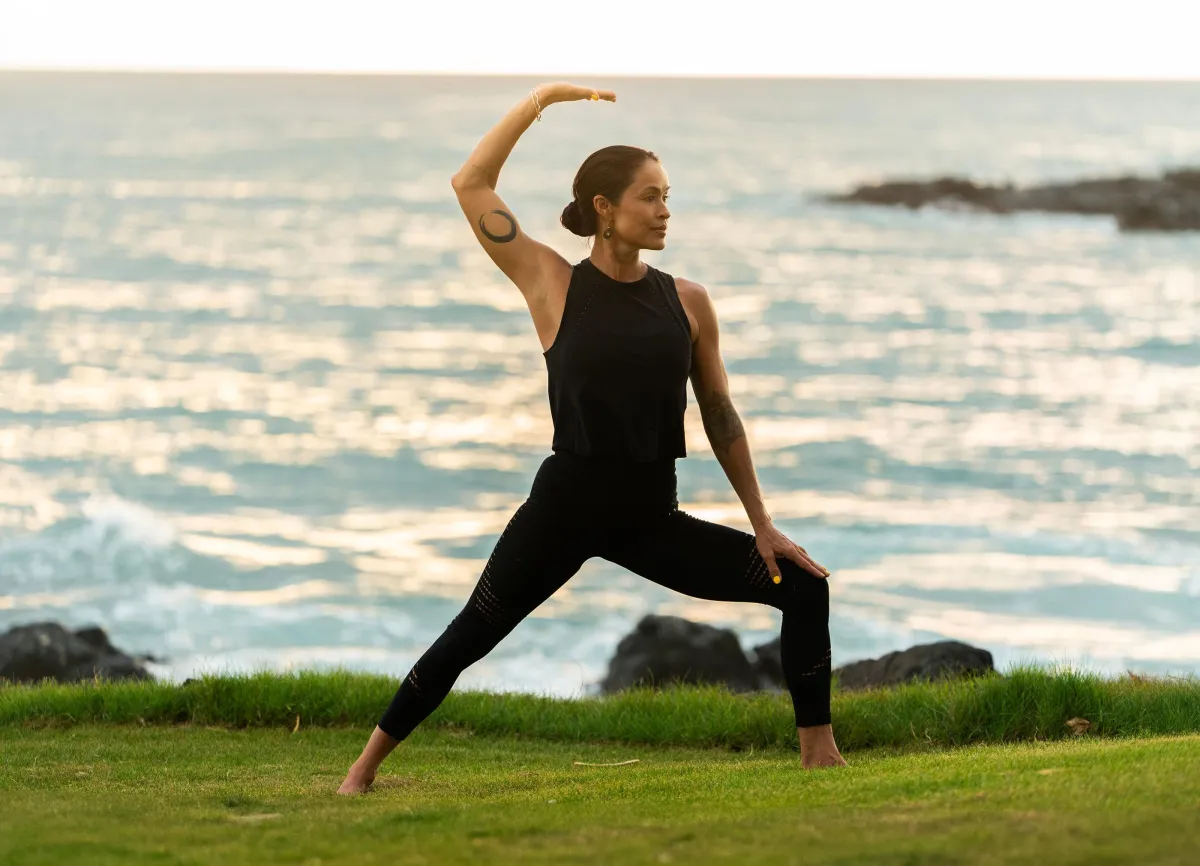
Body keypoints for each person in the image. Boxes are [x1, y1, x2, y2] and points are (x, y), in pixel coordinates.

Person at [338, 82, 845, 795]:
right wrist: (540, 101)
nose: (664, 210)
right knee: (471, 633)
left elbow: (720, 415)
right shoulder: (551, 282)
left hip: (650, 517)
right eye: (649, 196)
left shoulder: (689, 302)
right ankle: (361, 771)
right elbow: (470, 183)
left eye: (668, 196)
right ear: (604, 209)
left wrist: (763, 525)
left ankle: (820, 754)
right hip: (565, 508)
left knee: (804, 588)